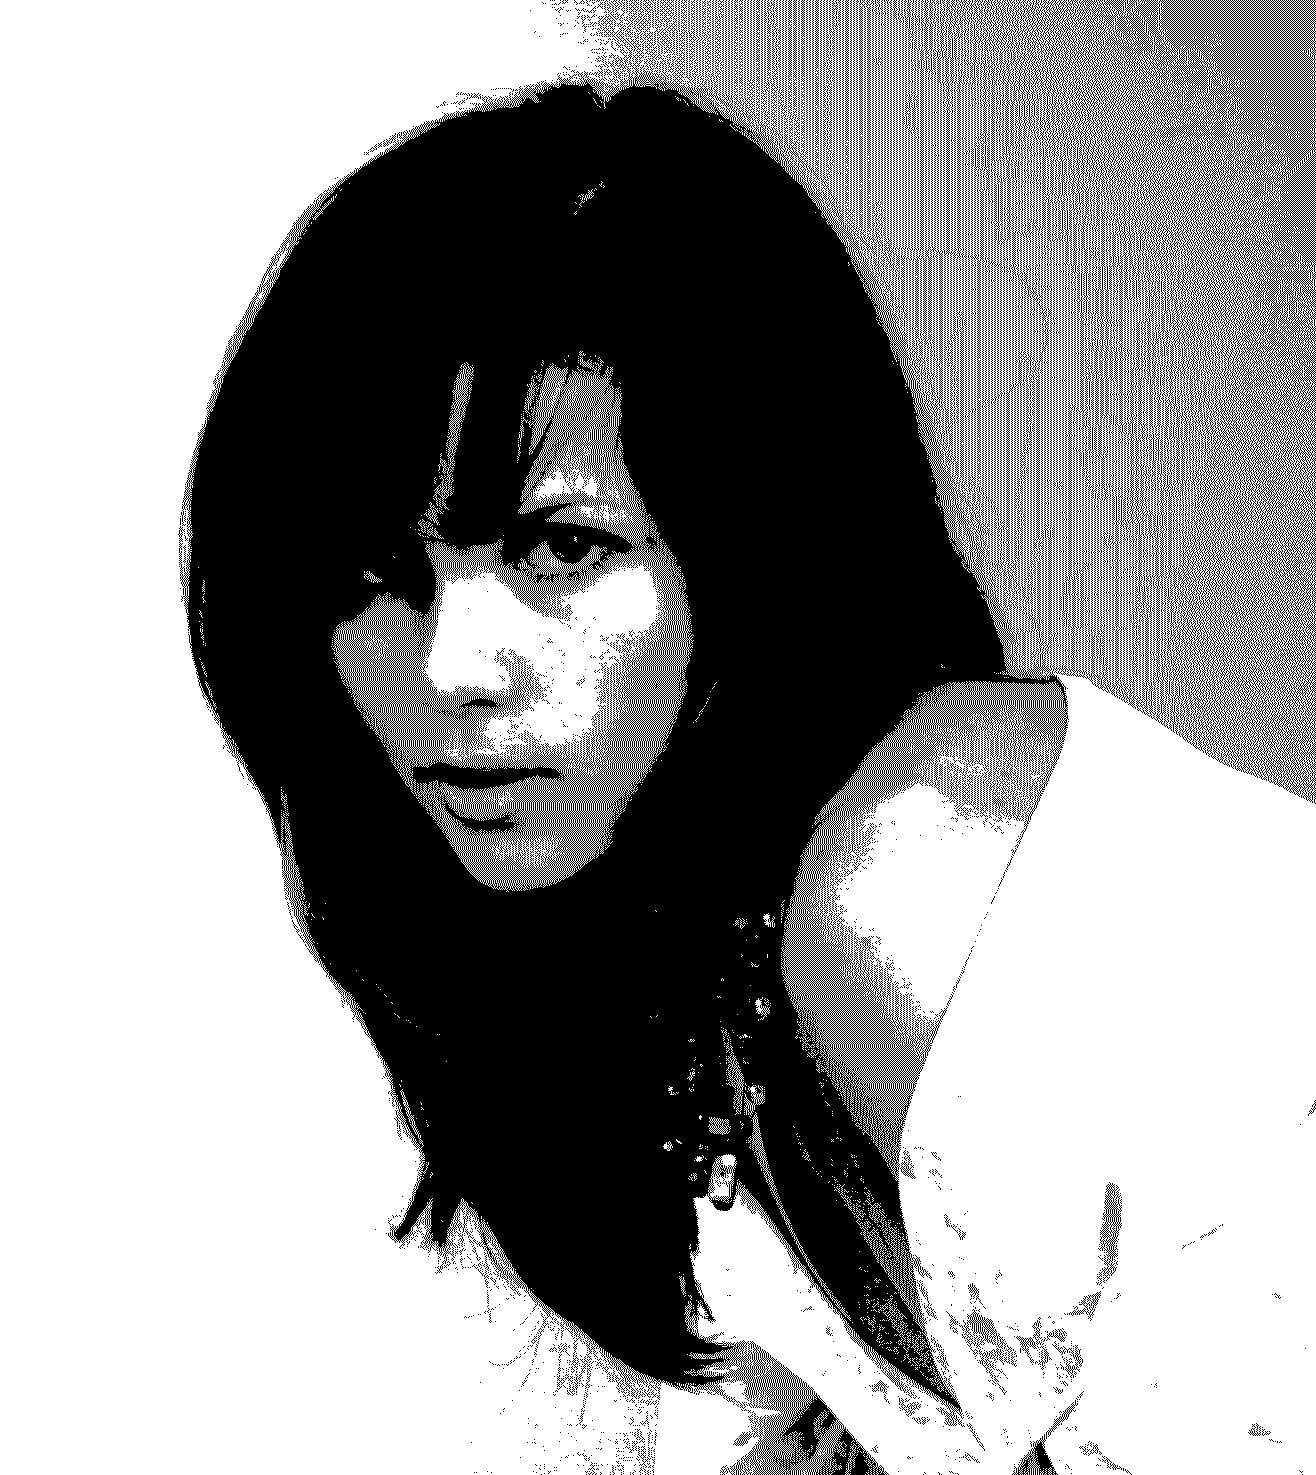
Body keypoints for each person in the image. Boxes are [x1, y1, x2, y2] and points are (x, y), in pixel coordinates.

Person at [182, 81, 1316, 1473]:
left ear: (752, 543)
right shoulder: (698, 993)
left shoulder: (917, 873)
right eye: (372, 577)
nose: (453, 669)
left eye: (562, 549)